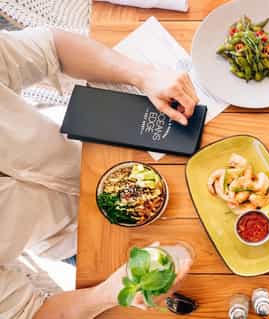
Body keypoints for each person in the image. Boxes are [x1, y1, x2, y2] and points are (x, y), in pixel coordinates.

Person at [0, 27, 197, 318]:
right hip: (76, 241)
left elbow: (52, 48)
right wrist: (111, 291)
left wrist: (144, 76)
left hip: (104, 158)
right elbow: (32, 313)